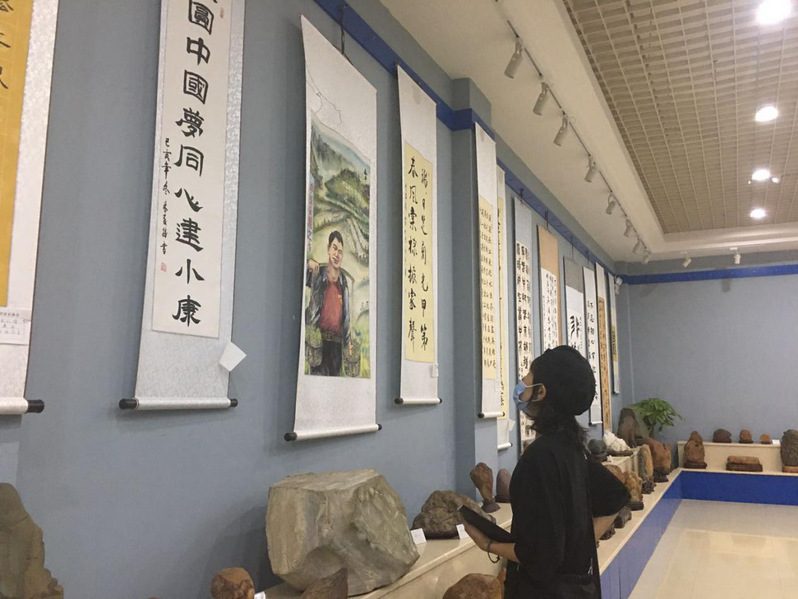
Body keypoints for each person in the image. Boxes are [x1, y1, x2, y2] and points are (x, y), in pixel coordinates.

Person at [464, 346, 629, 598]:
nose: (522, 382)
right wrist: (578, 549)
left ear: (541, 392)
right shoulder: (572, 446)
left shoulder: (540, 457)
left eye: (528, 375)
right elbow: (616, 495)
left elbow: (540, 557)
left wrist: (488, 543)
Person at [305, 231, 351, 376]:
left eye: (340, 252)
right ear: (328, 249)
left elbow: (346, 317)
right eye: (334, 248)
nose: (337, 254)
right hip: (318, 344)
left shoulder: (343, 282)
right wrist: (308, 263)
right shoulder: (319, 274)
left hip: (337, 347)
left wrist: (348, 342)